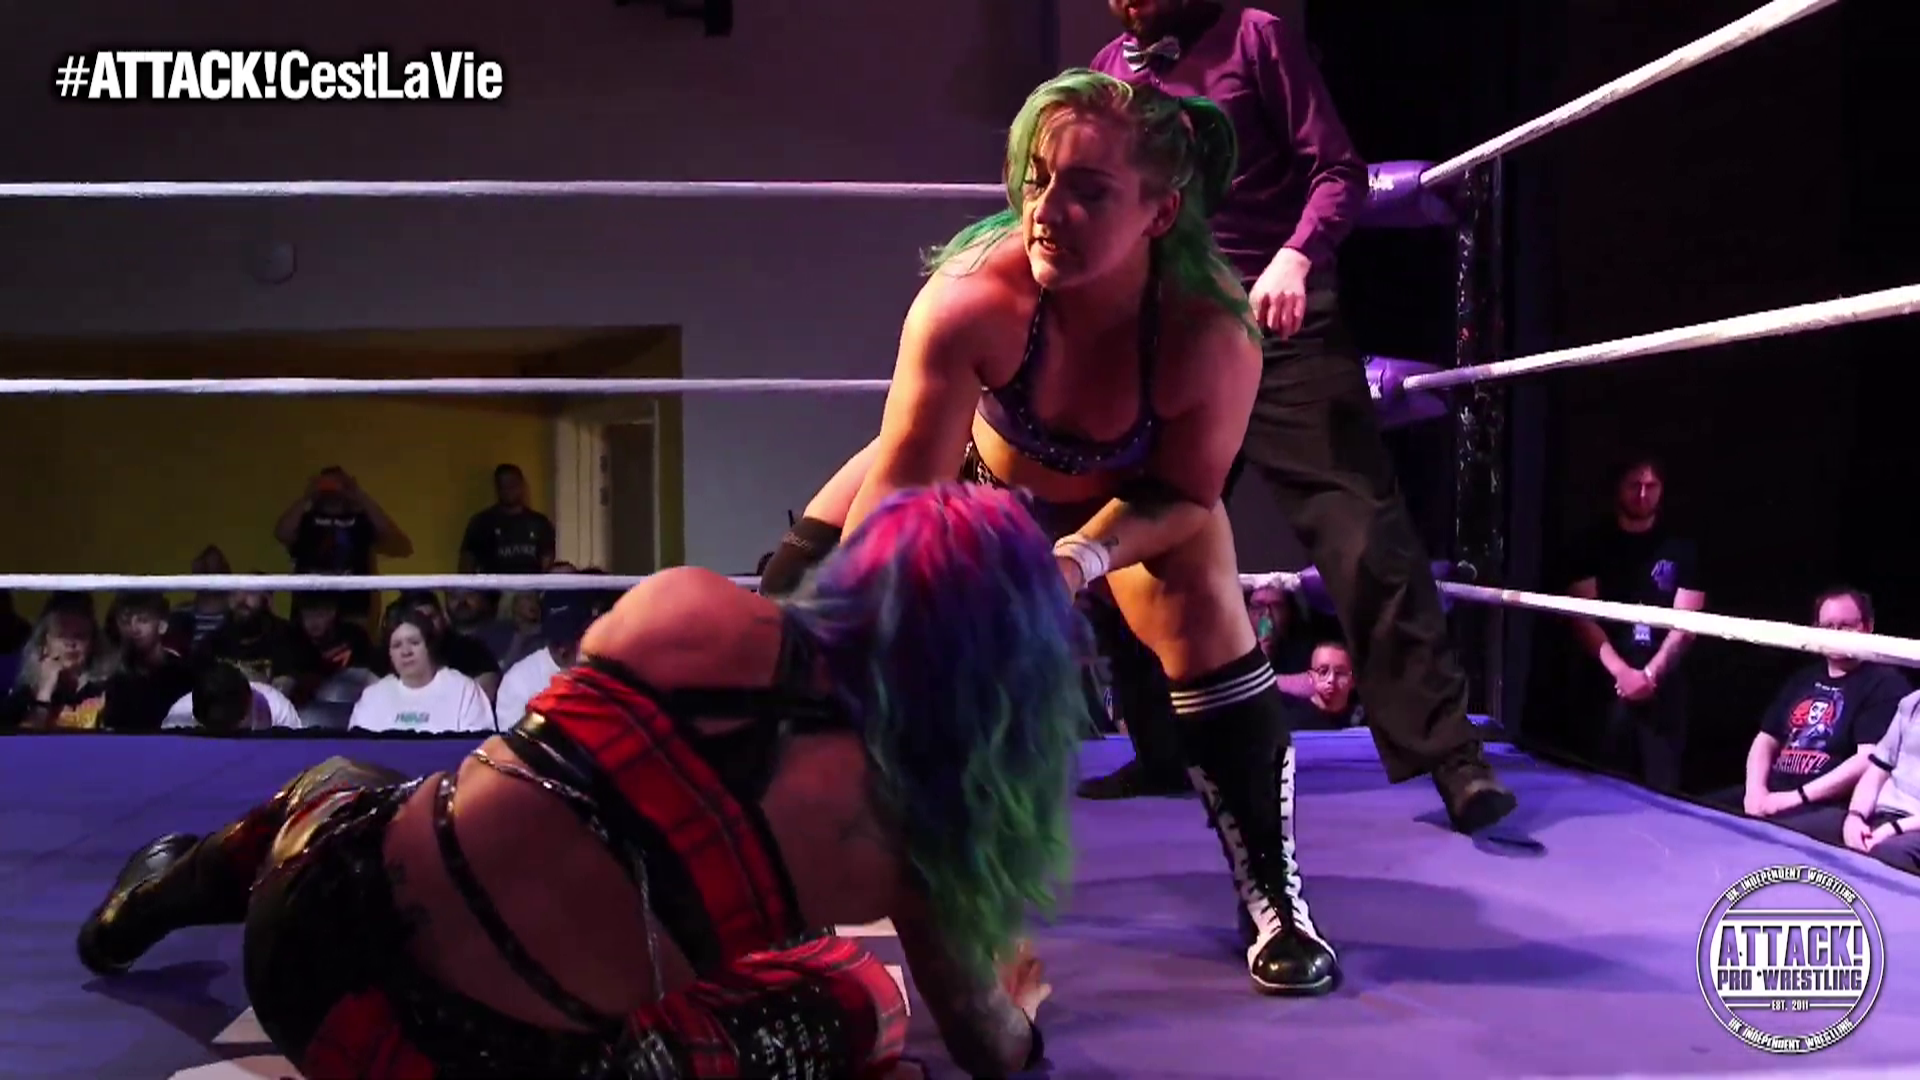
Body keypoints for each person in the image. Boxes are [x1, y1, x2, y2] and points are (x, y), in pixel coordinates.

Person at [74, 484, 1079, 1079]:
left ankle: (178, 881)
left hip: (300, 941)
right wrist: (1020, 1019)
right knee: (860, 997)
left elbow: (585, 805)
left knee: (352, 790)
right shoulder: (912, 834)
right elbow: (986, 1047)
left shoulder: (684, 608)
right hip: (441, 1067)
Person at [760, 70, 1337, 996]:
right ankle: (787, 873)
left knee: (1209, 622)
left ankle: (1274, 894)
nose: (1047, 212)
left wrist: (1079, 559)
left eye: (1089, 191)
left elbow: (1187, 492)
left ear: (1159, 212)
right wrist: (875, 633)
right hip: (973, 474)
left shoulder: (1211, 332)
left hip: (1131, 501)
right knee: (802, 603)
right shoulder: (971, 296)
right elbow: (904, 482)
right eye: (1037, 180)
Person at [1075, 0, 1516, 831]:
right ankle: (1160, 747)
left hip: (1279, 325)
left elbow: (1338, 171)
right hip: (1170, 339)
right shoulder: (1108, 72)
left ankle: (1453, 759)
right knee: (1123, 533)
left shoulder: (1255, 37)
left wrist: (1296, 255)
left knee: (1363, 535)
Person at [1566, 457, 1706, 792]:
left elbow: (1687, 623)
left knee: (1662, 786)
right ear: (1618, 487)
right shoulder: (1591, 542)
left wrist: (1650, 675)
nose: (1643, 495)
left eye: (1651, 486)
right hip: (1606, 679)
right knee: (1600, 785)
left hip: (1662, 681)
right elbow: (1582, 617)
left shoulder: (1681, 547)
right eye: (1634, 485)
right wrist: (1622, 673)